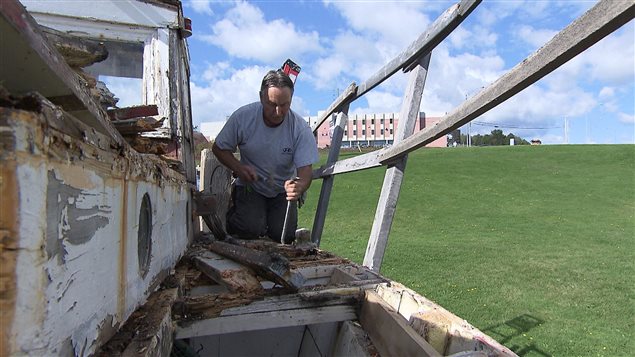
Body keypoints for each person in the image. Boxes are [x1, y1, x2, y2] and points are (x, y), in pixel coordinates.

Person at [212, 69, 318, 243]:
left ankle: (267, 221)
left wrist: (299, 186)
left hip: (281, 189)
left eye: (284, 105)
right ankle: (235, 216)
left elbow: (306, 171)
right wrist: (238, 167)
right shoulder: (243, 117)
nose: (278, 111)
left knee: (283, 235)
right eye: (272, 104)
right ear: (261, 97)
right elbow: (219, 148)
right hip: (251, 185)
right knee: (250, 228)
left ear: (291, 100)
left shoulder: (300, 128)